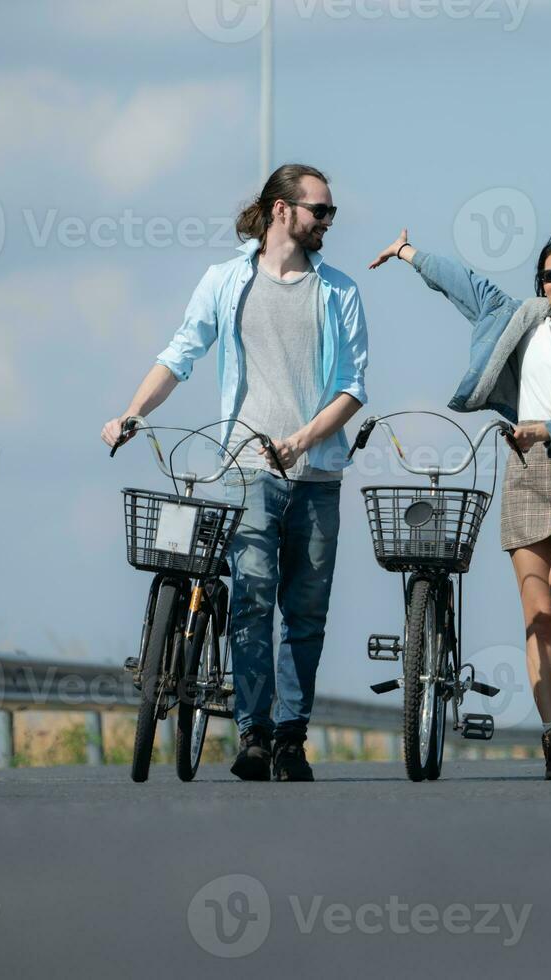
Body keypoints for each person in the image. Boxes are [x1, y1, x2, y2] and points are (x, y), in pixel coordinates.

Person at [102, 163, 369, 782]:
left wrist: (301, 441)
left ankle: (292, 739)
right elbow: (180, 354)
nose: (329, 221)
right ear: (283, 210)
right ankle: (253, 734)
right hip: (246, 468)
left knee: (305, 612)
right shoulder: (225, 282)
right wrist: (132, 413)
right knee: (252, 600)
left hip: (318, 473)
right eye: (319, 211)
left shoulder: (340, 292)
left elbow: (353, 388)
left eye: (330, 212)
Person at [368, 229, 551, 779]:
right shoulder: (523, 322)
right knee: (538, 616)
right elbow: (469, 289)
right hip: (526, 477)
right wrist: (411, 255)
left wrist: (547, 429)